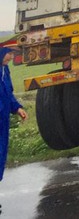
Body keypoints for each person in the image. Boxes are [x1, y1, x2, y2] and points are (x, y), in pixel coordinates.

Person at [0, 46, 28, 181]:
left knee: (1, 151)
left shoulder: (4, 69)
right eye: (9, 54)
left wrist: (17, 108)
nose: (11, 57)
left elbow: (8, 93)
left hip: (3, 118)